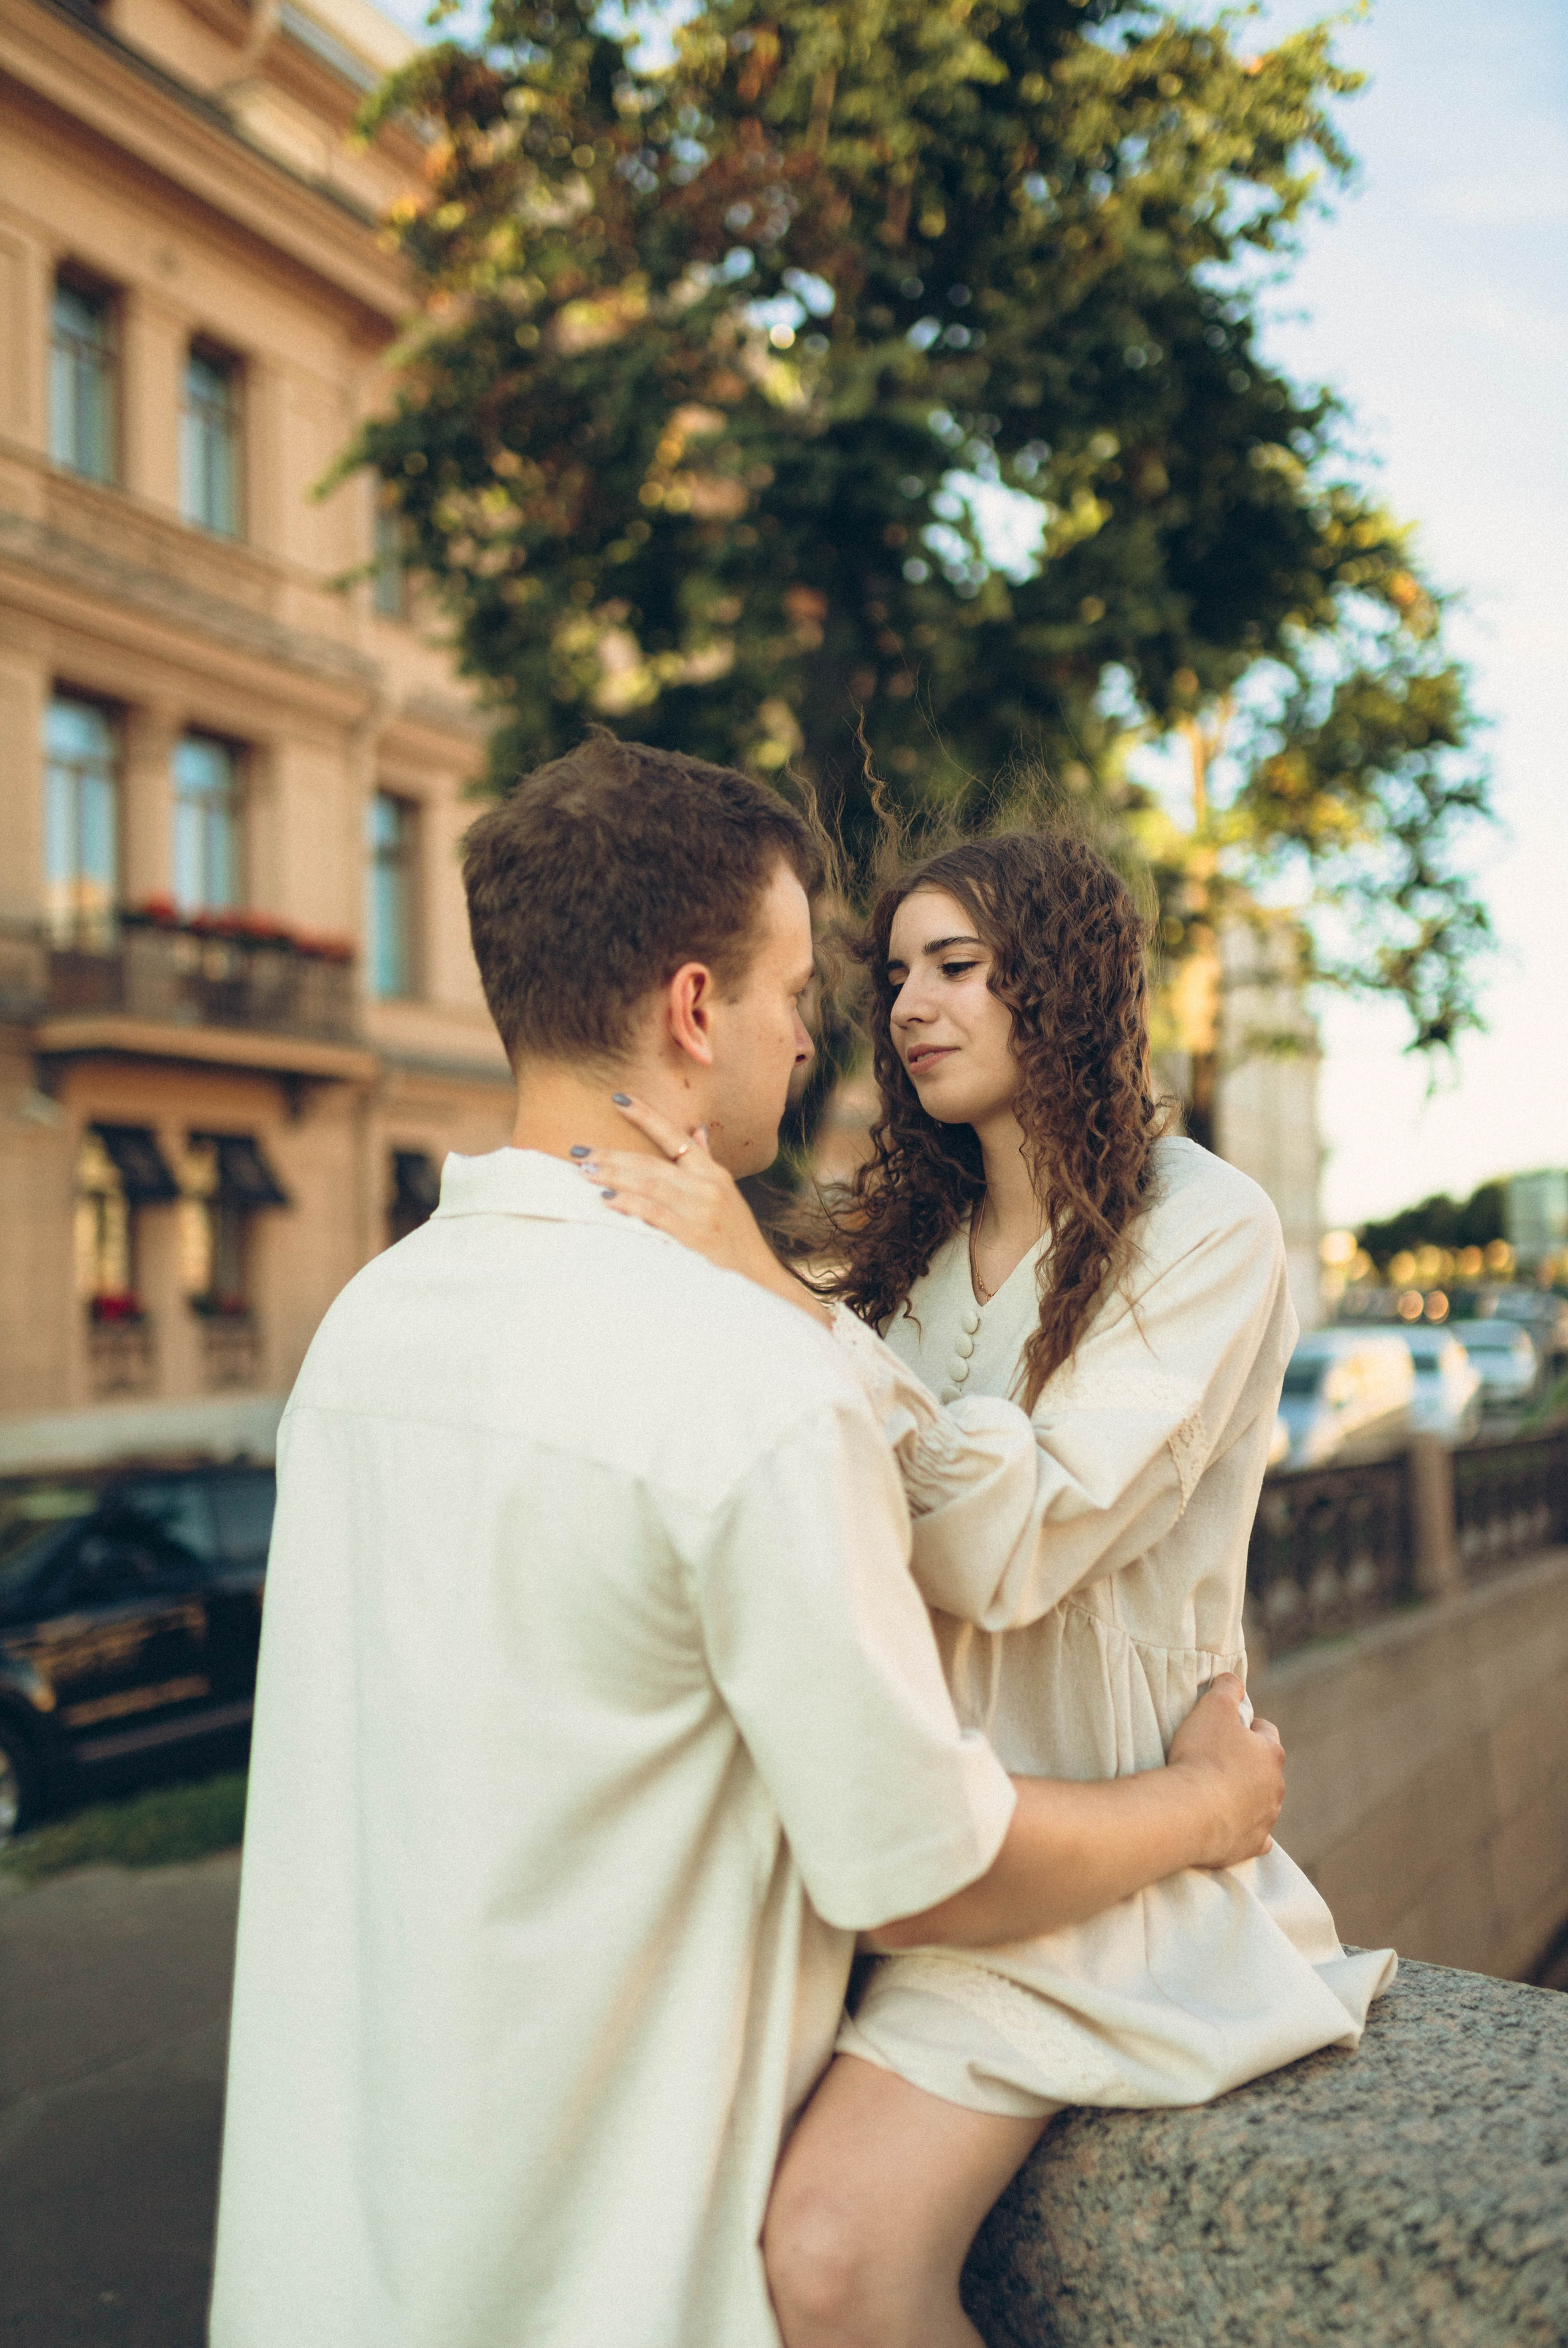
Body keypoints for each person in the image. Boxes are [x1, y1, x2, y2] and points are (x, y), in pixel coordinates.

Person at [208, 746, 1286, 2348]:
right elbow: (925, 1865)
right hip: (606, 2250)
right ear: (699, 1010)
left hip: (340, 2258)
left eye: (951, 967)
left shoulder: (368, 1324)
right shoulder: (756, 1369)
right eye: (821, 983)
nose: (843, 1022)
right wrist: (1207, 1802)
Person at [578, 826, 1396, 2348]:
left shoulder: (1200, 1220)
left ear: (1067, 981)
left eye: (956, 966)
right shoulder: (911, 1241)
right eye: (892, 974)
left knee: (827, 2255)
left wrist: (758, 1291)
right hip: (892, 1846)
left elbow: (1022, 1541)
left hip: (1090, 1873)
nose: (904, 1005)